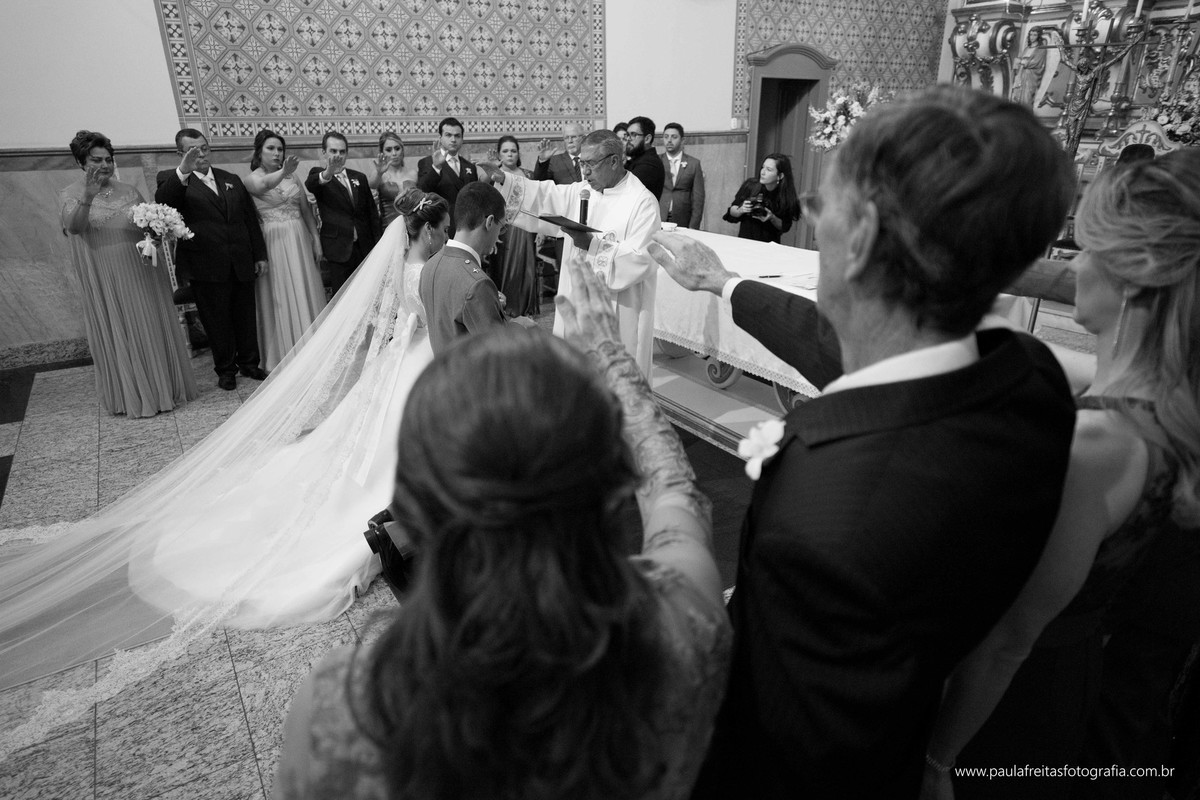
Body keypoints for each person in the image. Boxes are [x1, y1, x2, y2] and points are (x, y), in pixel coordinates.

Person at [650, 85, 1078, 799]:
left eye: (822, 207)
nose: (813, 222)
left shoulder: (829, 515)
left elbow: (790, 749)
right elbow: (857, 355)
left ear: (866, 238)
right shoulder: (1029, 377)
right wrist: (723, 284)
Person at [0, 187, 451, 762]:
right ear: (429, 228)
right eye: (438, 227)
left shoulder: (398, 262)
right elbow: (425, 320)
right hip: (418, 358)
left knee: (362, 444)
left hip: (394, 363)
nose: (441, 235)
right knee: (396, 450)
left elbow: (388, 320)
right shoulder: (431, 268)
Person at [272, 255, 731, 800]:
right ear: (608, 494)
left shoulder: (342, 711)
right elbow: (673, 493)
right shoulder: (682, 626)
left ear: (417, 510)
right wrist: (611, 358)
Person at [922, 148, 1200, 800]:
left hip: (1021, 715)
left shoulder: (1097, 446)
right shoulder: (1172, 405)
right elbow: (1084, 373)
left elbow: (1007, 645)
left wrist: (936, 761)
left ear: (1133, 277)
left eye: (1087, 246)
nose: (1074, 263)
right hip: (1117, 709)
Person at [487, 130, 661, 376]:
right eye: (582, 163)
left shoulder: (642, 202)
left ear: (614, 160)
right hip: (576, 302)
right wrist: (505, 181)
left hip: (616, 311)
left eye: (591, 164)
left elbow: (641, 258)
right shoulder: (582, 191)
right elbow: (544, 195)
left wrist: (591, 244)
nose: (585, 172)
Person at [59, 129, 198, 417]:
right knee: (123, 328)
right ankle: (134, 394)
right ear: (80, 162)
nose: (105, 165)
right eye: (96, 160)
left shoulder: (129, 191)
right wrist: (87, 195)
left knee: (149, 325)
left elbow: (144, 225)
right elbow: (73, 227)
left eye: (108, 159)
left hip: (141, 270)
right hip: (106, 275)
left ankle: (164, 388)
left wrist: (157, 235)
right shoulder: (70, 194)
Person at [157, 128, 269, 391]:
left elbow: (249, 219)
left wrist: (259, 254)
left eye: (204, 148)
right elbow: (164, 202)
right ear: (180, 153)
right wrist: (183, 171)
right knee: (216, 320)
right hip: (205, 264)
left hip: (240, 259)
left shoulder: (229, 178)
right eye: (192, 150)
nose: (200, 154)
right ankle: (226, 369)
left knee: (244, 315)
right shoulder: (173, 180)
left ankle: (250, 363)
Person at [243, 129, 327, 371]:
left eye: (280, 149)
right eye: (271, 148)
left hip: (299, 237)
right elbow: (263, 186)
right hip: (274, 240)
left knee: (304, 286)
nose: (277, 153)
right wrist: (284, 172)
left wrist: (315, 238)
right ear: (259, 152)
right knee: (280, 292)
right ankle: (283, 352)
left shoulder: (293, 178)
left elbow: (305, 211)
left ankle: (312, 345)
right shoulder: (252, 178)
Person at [419, 182, 530, 354]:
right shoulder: (476, 283)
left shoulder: (430, 265)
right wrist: (520, 327)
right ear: (490, 222)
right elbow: (497, 352)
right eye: (502, 228)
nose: (499, 237)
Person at [305, 130, 382, 296]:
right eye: (333, 151)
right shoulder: (318, 175)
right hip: (338, 249)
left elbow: (371, 214)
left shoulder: (359, 177)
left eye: (342, 151)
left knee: (367, 294)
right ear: (324, 152)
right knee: (342, 297)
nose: (338, 155)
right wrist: (328, 172)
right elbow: (311, 185)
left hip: (364, 247)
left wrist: (378, 244)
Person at [490, 135, 539, 317]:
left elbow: (535, 204)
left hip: (525, 229)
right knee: (503, 268)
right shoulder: (493, 175)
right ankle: (503, 308)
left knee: (523, 267)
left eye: (513, 150)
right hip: (501, 229)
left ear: (518, 153)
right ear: (499, 154)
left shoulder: (528, 175)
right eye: (505, 151)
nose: (510, 154)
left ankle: (524, 308)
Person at [416, 116, 481, 235]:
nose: (453, 139)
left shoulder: (470, 167)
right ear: (440, 138)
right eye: (448, 135)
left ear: (462, 139)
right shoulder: (427, 162)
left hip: (466, 229)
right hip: (440, 227)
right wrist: (436, 168)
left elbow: (475, 201)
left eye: (457, 136)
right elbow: (422, 192)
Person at [722, 153, 800, 244]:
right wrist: (741, 210)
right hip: (744, 243)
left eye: (769, 170)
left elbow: (785, 226)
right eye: (763, 167)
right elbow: (731, 212)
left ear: (780, 176)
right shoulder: (751, 186)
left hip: (769, 247)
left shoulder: (785, 196)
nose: (762, 172)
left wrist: (772, 217)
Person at [659, 122, 706, 229]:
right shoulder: (657, 161)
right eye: (666, 137)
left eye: (674, 137)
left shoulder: (694, 164)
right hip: (660, 216)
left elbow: (698, 199)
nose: (669, 140)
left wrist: (693, 227)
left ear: (682, 140)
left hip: (683, 218)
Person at [370, 131, 418, 228]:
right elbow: (371, 185)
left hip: (412, 226)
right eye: (388, 150)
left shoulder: (413, 174)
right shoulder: (380, 175)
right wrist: (379, 173)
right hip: (388, 227)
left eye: (397, 148)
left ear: (402, 150)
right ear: (382, 153)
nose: (394, 153)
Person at [625, 116, 665, 199]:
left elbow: (625, 189)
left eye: (633, 135)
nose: (628, 139)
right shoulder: (637, 159)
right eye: (628, 135)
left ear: (647, 139)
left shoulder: (650, 163)